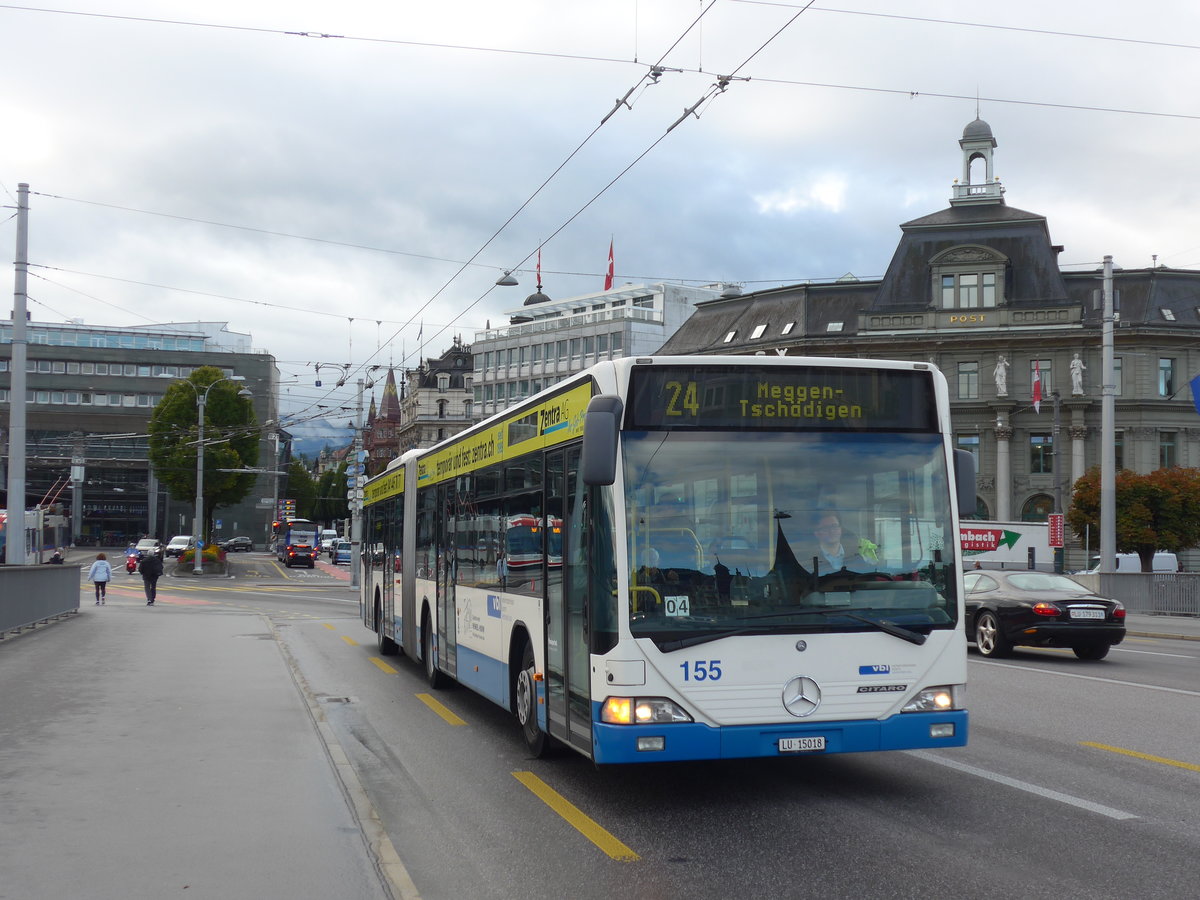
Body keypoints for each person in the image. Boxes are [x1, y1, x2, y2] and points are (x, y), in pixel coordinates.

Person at [804, 511, 879, 576]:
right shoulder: (807, 559)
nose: (831, 531)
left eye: (834, 526)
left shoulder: (857, 554)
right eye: (825, 528)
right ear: (817, 533)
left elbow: (868, 576)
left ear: (841, 529)